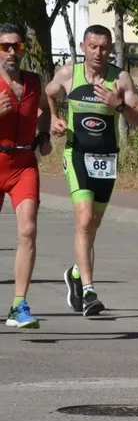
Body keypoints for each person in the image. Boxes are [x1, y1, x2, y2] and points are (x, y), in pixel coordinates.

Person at [46, 24, 138, 317]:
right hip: (76, 154)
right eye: (93, 46)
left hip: (107, 159)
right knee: (84, 218)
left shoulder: (120, 79)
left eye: (104, 47)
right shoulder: (69, 74)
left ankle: (76, 272)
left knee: (93, 224)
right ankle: (89, 291)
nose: (98, 52)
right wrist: (53, 119)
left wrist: (119, 106)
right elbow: (47, 94)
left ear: (110, 49)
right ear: (83, 47)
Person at [0, 23, 52, 328]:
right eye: (5, 46)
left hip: (23, 164)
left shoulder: (33, 81)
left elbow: (44, 109)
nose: (11, 52)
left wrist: (43, 136)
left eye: (16, 46)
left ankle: (18, 305)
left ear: (23, 50)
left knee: (28, 230)